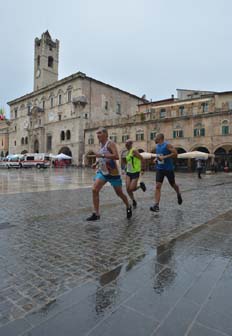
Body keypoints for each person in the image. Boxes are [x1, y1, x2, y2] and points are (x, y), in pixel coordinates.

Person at [86, 127, 132, 221]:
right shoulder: (101, 144)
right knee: (94, 189)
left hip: (113, 174)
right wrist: (96, 163)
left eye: (99, 133)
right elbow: (102, 157)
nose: (97, 135)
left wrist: (101, 155)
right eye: (97, 133)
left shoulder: (110, 143)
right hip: (103, 172)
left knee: (119, 193)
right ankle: (96, 213)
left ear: (105, 134)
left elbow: (116, 156)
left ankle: (128, 205)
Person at [150, 133, 182, 212]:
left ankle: (178, 193)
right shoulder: (157, 146)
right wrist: (156, 159)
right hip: (160, 169)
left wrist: (164, 157)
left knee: (173, 185)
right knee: (158, 186)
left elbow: (175, 154)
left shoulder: (167, 145)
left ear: (159, 138)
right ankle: (156, 205)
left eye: (155, 137)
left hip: (168, 169)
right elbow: (159, 155)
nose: (154, 139)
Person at [123, 139, 146, 208]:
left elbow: (142, 159)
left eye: (127, 144)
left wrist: (142, 169)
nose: (126, 145)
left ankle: (140, 186)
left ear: (130, 144)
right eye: (125, 144)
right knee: (127, 189)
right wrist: (125, 167)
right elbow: (129, 161)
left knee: (132, 189)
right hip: (128, 172)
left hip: (135, 172)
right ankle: (133, 200)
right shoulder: (128, 152)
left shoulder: (134, 151)